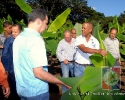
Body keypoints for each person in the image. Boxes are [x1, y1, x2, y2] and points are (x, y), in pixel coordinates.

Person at [13, 8, 71, 100]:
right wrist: (62, 82)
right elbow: (38, 73)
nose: (47, 26)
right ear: (39, 21)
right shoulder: (36, 40)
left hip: (22, 90)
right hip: (36, 92)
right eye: (46, 23)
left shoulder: (18, 38)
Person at [1, 24, 22, 100]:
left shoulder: (24, 40)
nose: (13, 33)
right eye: (12, 32)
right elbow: (5, 55)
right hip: (12, 69)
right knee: (14, 89)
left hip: (23, 70)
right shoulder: (9, 40)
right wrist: (7, 69)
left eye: (15, 32)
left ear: (21, 32)